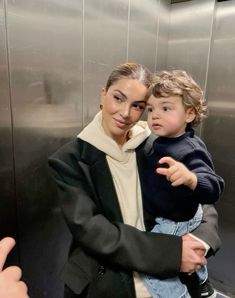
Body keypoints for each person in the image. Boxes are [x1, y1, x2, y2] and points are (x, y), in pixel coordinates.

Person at [48, 63, 221, 298]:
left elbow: (199, 200)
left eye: (138, 106)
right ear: (103, 95)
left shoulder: (155, 143)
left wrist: (200, 241)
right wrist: (173, 253)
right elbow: (93, 231)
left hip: (171, 277)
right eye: (118, 98)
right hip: (109, 281)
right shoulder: (70, 160)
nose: (125, 113)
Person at [140, 70, 224, 298]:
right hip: (180, 212)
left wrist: (190, 178)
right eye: (151, 109)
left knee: (151, 266)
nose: (155, 115)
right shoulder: (164, 139)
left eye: (166, 108)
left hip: (174, 221)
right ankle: (202, 282)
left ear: (189, 114)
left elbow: (214, 187)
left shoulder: (190, 149)